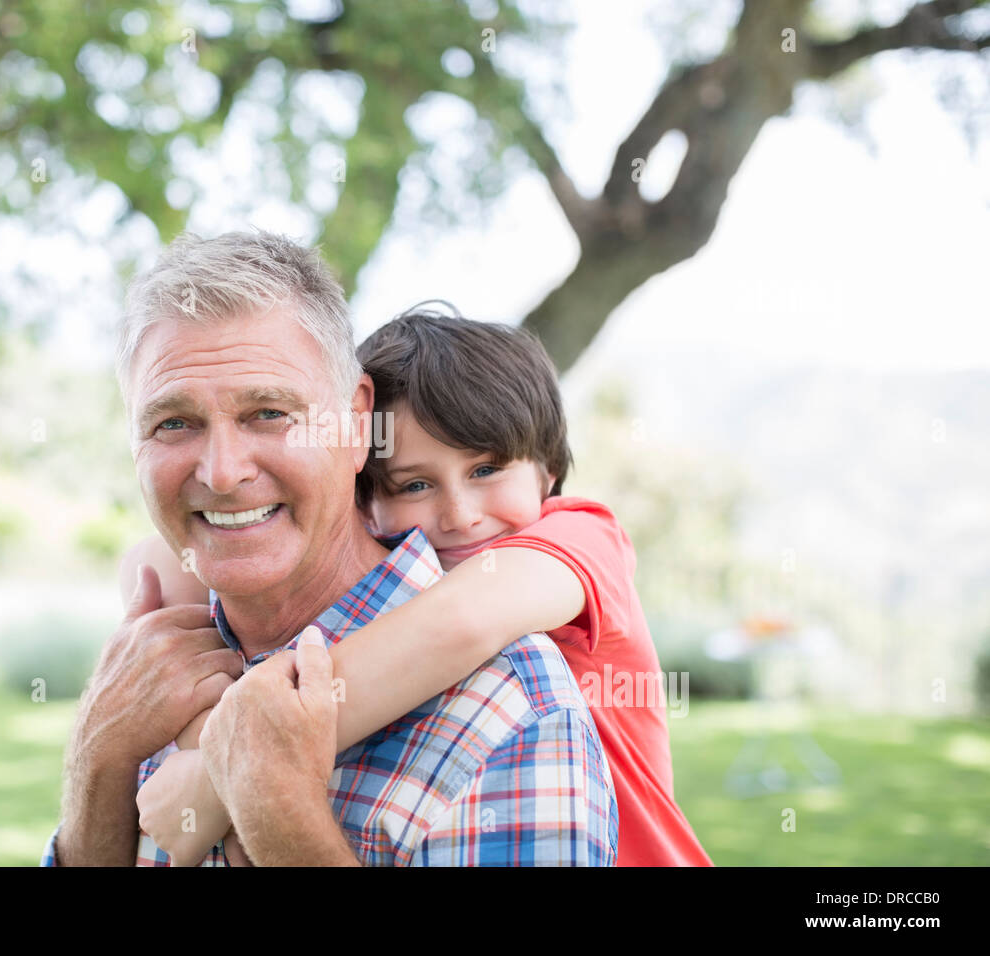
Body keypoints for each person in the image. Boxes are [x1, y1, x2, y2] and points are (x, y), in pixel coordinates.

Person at [40, 232, 617, 866]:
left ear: (356, 422)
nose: (223, 472)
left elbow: (469, 616)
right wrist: (98, 760)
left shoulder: (510, 708)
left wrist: (275, 805)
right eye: (173, 422)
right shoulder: (148, 676)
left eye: (268, 412)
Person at [136, 306, 711, 867]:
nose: (459, 514)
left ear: (547, 470)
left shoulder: (581, 536)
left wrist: (220, 771)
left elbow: (462, 622)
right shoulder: (380, 549)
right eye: (415, 485)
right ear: (364, 498)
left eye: (486, 470)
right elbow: (157, 555)